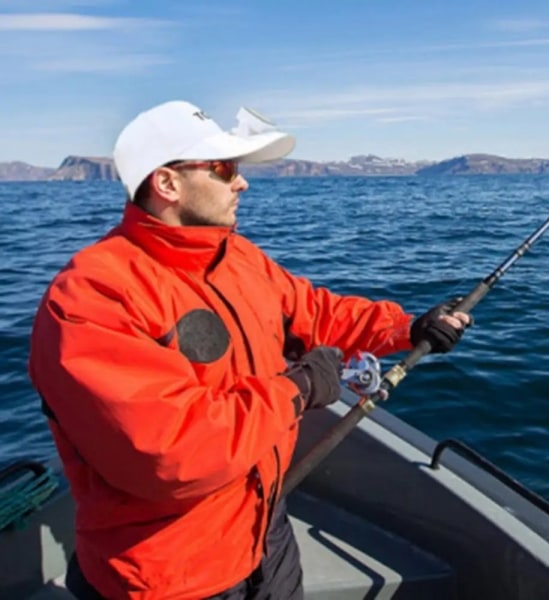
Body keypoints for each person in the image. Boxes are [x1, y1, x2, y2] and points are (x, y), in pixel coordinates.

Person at [29, 100, 472, 600]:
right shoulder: (91, 297)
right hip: (168, 576)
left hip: (265, 531)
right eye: (223, 169)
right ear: (167, 184)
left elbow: (316, 311)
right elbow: (170, 453)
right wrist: (300, 389)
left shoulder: (235, 256)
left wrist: (407, 328)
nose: (242, 182)